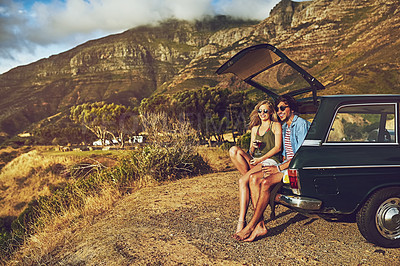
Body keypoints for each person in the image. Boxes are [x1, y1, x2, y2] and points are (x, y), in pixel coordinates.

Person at [233, 95, 310, 241]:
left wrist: (278, 167)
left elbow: (301, 156)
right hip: (285, 164)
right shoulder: (286, 125)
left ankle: (251, 226)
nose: (279, 111)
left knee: (262, 182)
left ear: (291, 108)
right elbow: (285, 153)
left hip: (295, 166)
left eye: (283, 108)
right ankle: (259, 225)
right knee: (254, 180)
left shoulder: (300, 125)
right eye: (278, 109)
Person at [229, 100, 282, 233]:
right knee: (233, 150)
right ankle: (256, 217)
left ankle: (241, 220)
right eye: (260, 111)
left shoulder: (275, 126)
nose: (262, 113)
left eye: (265, 111)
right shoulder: (255, 128)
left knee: (242, 181)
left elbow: (277, 148)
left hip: (270, 160)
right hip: (257, 159)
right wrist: (253, 147)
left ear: (270, 112)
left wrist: (261, 159)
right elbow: (251, 152)